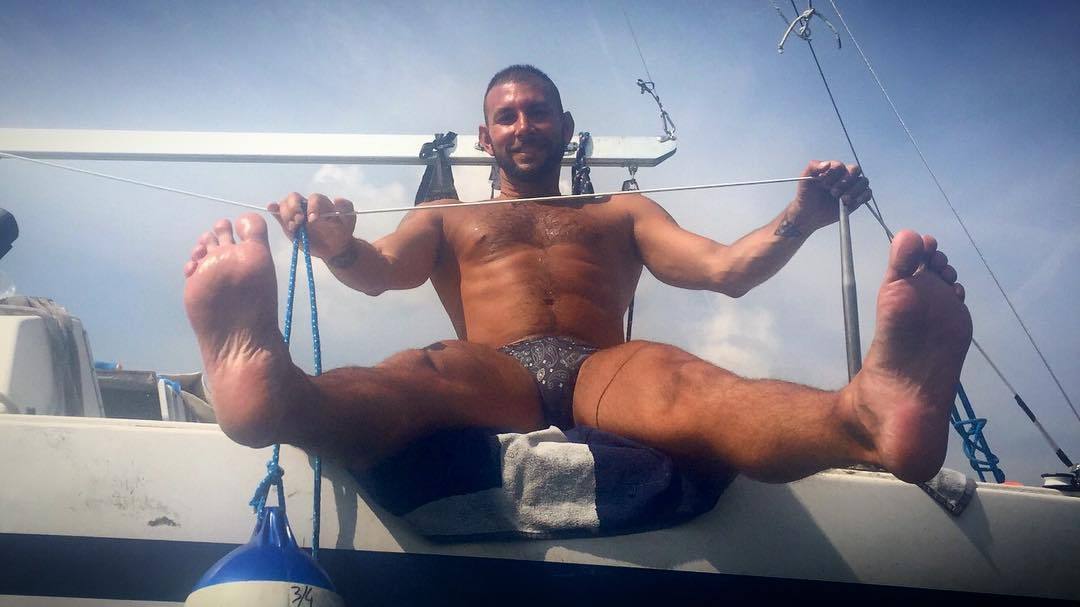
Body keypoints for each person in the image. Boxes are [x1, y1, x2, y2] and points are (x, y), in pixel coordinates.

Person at [183, 65, 971, 485]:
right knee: (421, 372)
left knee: (686, 381)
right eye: (507, 115)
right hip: (496, 369)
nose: (523, 124)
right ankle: (282, 397)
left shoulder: (622, 211)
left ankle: (861, 420)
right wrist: (337, 246)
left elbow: (727, 269)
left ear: (564, 125)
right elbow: (382, 271)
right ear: (486, 136)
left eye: (537, 111)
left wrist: (801, 215)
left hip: (605, 369)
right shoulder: (447, 217)